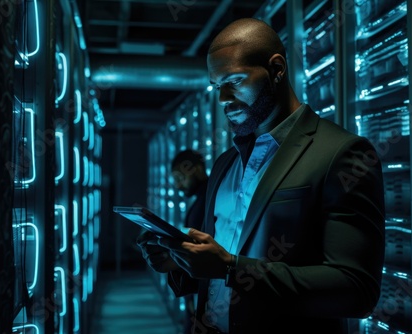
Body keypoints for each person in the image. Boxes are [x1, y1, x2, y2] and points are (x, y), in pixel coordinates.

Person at [137, 17, 385, 334]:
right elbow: (213, 268)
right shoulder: (226, 163)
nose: (223, 98)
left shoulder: (342, 153)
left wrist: (231, 268)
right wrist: (179, 261)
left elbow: (355, 290)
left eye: (235, 81)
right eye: (216, 86)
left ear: (277, 69)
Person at [171, 149, 209, 333]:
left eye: (180, 178)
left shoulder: (206, 200)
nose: (178, 186)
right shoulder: (205, 198)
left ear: (196, 169)